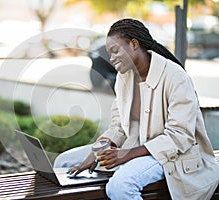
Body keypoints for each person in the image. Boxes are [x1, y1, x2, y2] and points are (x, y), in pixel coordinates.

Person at [54, 18, 219, 200]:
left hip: (170, 156)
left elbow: (179, 136)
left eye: (115, 51)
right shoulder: (124, 77)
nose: (111, 58)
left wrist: (126, 155)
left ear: (134, 44)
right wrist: (97, 151)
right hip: (135, 147)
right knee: (64, 162)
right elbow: (118, 126)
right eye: (109, 53)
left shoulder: (176, 77)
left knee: (120, 186)